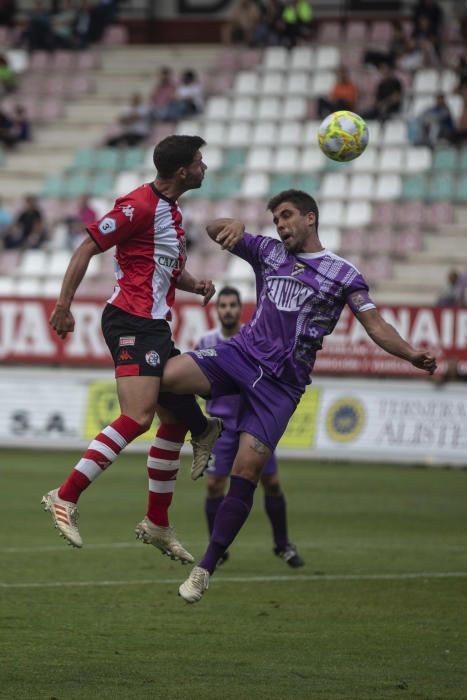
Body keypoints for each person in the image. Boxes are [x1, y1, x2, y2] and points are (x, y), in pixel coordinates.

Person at [157, 189, 437, 603]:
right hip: (241, 354)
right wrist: (231, 225)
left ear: (311, 218)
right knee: (166, 377)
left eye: (287, 216)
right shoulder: (267, 252)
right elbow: (212, 230)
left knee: (247, 473)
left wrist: (411, 354)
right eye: (275, 220)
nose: (280, 225)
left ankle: (205, 568)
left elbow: (375, 325)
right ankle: (203, 429)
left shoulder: (343, 274)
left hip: (282, 387)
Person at [42, 135, 223, 564]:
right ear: (182, 171)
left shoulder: (171, 213)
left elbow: (161, 267)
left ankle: (158, 521)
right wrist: (63, 306)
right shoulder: (138, 206)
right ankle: (64, 496)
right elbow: (88, 245)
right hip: (130, 321)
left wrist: (194, 283)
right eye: (199, 161)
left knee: (173, 419)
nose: (205, 167)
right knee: (137, 416)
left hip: (154, 325)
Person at [197, 286, 304, 568]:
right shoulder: (206, 341)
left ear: (240, 308)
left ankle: (283, 545)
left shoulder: (252, 340)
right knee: (213, 486)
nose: (228, 310)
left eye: (233, 305)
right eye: (223, 306)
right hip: (220, 428)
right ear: (217, 309)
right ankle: (217, 549)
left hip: (253, 422)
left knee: (271, 483)